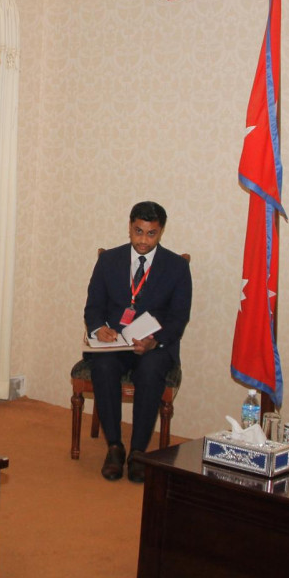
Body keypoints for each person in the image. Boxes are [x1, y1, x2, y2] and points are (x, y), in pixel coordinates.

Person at [83, 201, 192, 483]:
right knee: (103, 367)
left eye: (151, 233)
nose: (143, 240)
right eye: (138, 231)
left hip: (155, 345)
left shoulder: (177, 267)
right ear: (130, 227)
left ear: (161, 231)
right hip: (116, 343)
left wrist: (156, 341)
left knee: (150, 371)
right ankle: (115, 447)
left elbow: (179, 317)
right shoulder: (108, 260)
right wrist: (98, 329)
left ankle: (139, 452)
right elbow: (93, 307)